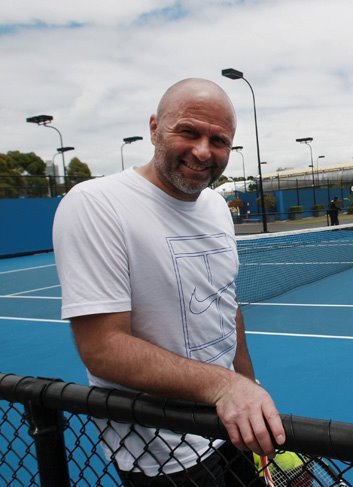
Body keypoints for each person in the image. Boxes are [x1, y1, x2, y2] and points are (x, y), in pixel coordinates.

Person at [53, 78, 285, 485]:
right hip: (163, 450)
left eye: (219, 140)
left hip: (230, 422)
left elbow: (224, 304)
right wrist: (225, 386)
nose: (203, 151)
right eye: (188, 131)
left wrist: (248, 386)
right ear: (154, 128)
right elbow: (103, 349)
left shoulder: (215, 205)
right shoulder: (95, 204)